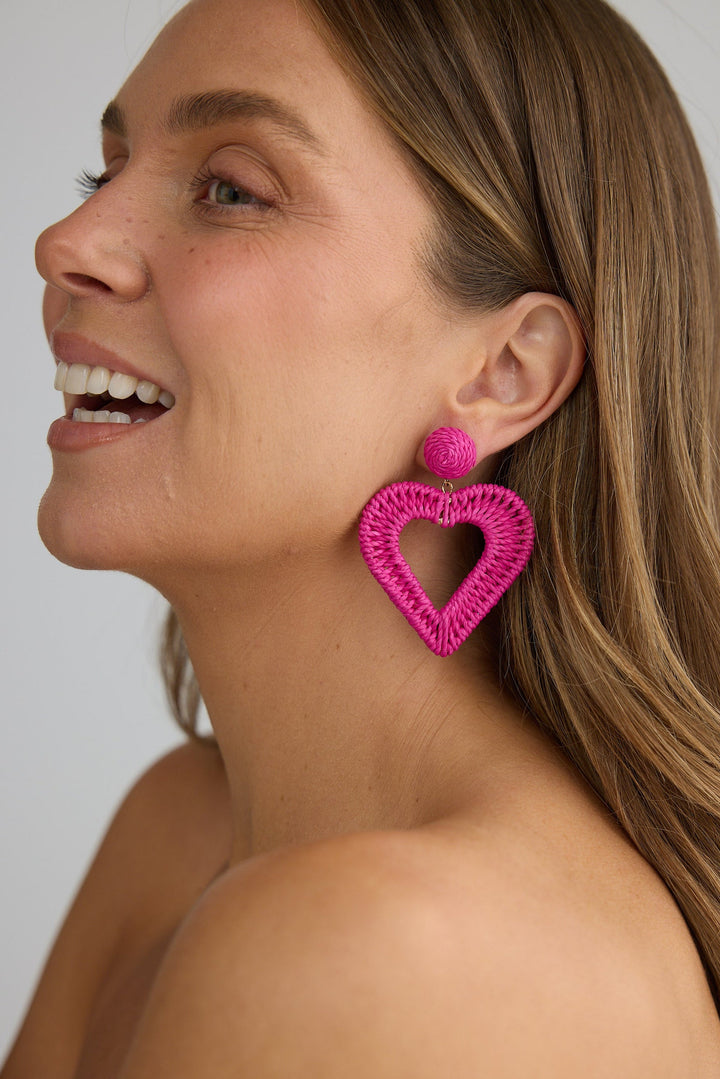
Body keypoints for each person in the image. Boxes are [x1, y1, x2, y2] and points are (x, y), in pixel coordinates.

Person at [4, 0, 720, 1074]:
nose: (65, 244)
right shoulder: (178, 829)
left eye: (231, 190)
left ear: (503, 371)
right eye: (100, 176)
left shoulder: (383, 943)